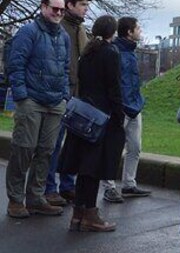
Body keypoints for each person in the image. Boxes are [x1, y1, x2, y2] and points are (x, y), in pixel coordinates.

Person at [4, 0, 71, 219]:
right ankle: (15, 200)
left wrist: (64, 96)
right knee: (24, 148)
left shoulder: (63, 37)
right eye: (55, 9)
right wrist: (22, 96)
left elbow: (65, 69)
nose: (59, 13)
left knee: (46, 151)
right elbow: (16, 64)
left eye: (62, 10)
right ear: (43, 7)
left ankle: (36, 198)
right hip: (31, 100)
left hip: (55, 103)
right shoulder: (28, 32)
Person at [58, 15, 125, 232]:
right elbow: (114, 88)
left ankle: (78, 213)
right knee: (94, 169)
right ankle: (90, 214)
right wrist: (119, 114)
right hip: (102, 116)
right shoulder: (110, 53)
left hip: (84, 116)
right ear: (111, 32)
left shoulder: (86, 54)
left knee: (84, 167)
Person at [45, 0, 93, 206]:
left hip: (77, 93)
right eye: (82, 4)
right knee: (54, 144)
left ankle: (66, 185)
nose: (86, 8)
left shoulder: (80, 29)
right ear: (70, 5)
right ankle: (49, 188)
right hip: (62, 92)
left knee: (72, 143)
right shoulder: (60, 27)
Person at [102, 16, 152, 203]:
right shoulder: (115, 51)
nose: (140, 31)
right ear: (129, 32)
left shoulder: (131, 51)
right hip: (120, 108)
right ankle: (109, 187)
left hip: (134, 106)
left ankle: (129, 184)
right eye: (138, 28)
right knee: (113, 147)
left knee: (135, 147)